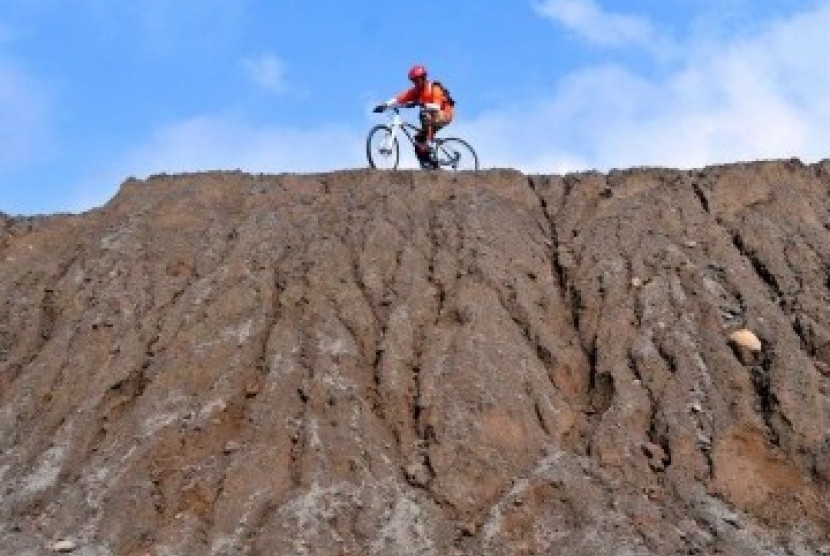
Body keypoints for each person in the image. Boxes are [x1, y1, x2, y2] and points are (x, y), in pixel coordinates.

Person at [374, 64, 454, 168]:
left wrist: (421, 104)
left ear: (424, 78)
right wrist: (385, 105)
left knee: (425, 114)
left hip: (445, 113)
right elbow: (400, 98)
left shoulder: (434, 88)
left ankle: (429, 142)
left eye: (417, 80)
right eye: (413, 81)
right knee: (418, 141)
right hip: (431, 116)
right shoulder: (415, 90)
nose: (415, 83)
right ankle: (428, 163)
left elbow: (437, 106)